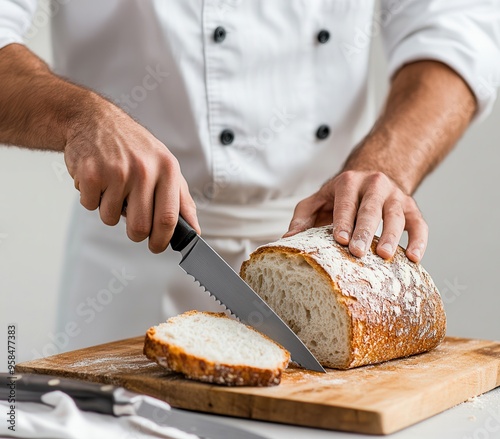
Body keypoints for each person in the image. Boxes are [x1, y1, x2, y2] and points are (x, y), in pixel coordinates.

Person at [0, 1, 499, 352]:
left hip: (331, 247)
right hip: (132, 259)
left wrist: (386, 164)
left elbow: (457, 26)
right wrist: (79, 115)